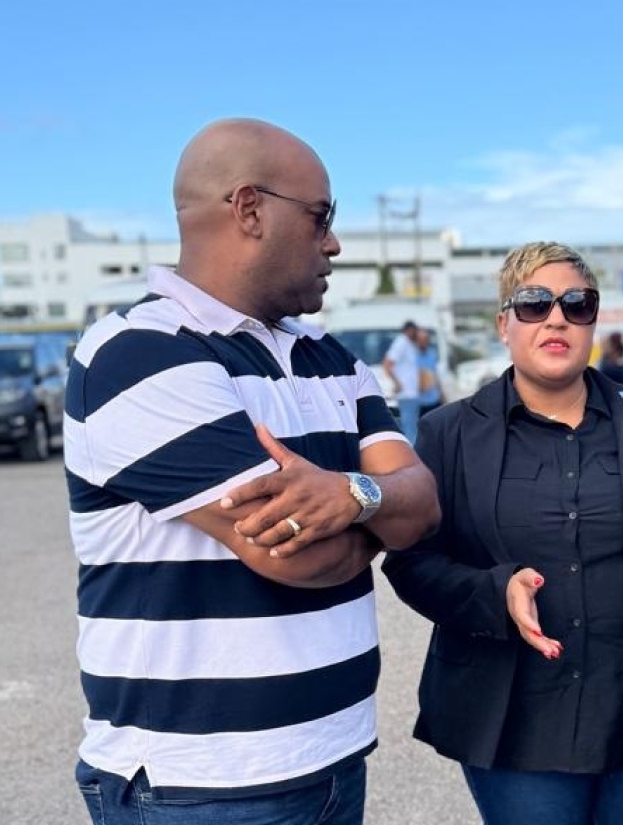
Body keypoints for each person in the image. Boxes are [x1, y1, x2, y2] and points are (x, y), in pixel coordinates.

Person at [64, 117, 441, 825]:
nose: (333, 242)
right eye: (321, 216)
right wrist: (376, 515)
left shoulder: (329, 355)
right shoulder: (139, 354)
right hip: (199, 787)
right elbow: (303, 555)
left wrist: (354, 495)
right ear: (248, 209)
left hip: (334, 757)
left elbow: (422, 502)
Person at [382, 241, 623, 825]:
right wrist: (493, 591)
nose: (556, 316)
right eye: (534, 303)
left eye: (576, 304)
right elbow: (412, 563)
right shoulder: (449, 434)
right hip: (516, 724)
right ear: (503, 323)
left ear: (591, 321)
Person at [384, 320, 422, 440]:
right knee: (409, 426)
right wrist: (397, 383)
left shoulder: (410, 344)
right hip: (406, 392)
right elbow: (388, 363)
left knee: (413, 425)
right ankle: (412, 452)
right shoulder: (401, 342)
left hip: (413, 392)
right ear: (409, 330)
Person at [415, 326, 443, 416]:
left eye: (425, 339)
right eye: (420, 339)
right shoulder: (411, 356)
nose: (423, 342)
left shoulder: (432, 354)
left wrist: (442, 396)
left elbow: (436, 376)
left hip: (433, 400)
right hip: (418, 403)